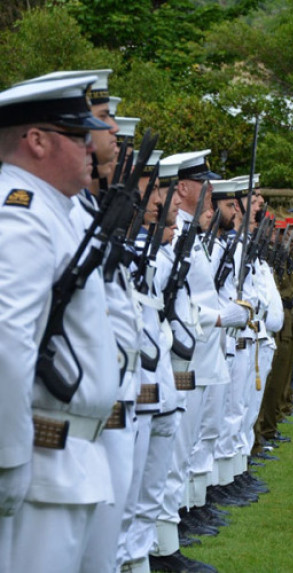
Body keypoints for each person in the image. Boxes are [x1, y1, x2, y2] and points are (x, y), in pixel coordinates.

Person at [0, 75, 118, 572]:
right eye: (78, 135)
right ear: (37, 141)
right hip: (41, 462)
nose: (92, 146)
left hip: (70, 461)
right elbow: (6, 338)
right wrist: (7, 462)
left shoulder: (54, 211)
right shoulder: (22, 215)